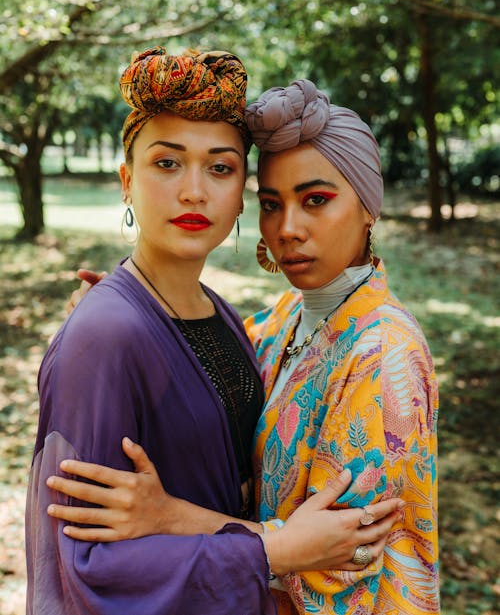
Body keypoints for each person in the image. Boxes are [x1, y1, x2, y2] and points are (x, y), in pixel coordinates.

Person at [26, 48, 403, 615]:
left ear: (240, 192)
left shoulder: (218, 313)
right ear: (127, 181)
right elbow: (86, 573)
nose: (194, 191)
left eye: (220, 167)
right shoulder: (103, 338)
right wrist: (268, 552)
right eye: (167, 163)